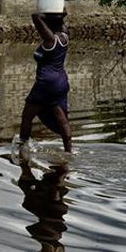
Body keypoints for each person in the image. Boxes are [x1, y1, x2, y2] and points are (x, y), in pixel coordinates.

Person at [18, 12, 72, 156]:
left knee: (27, 116)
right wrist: (57, 8)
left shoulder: (50, 40)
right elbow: (61, 18)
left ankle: (22, 148)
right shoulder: (65, 36)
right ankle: (69, 151)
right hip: (61, 83)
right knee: (62, 120)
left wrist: (43, 10)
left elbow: (35, 17)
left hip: (46, 84)